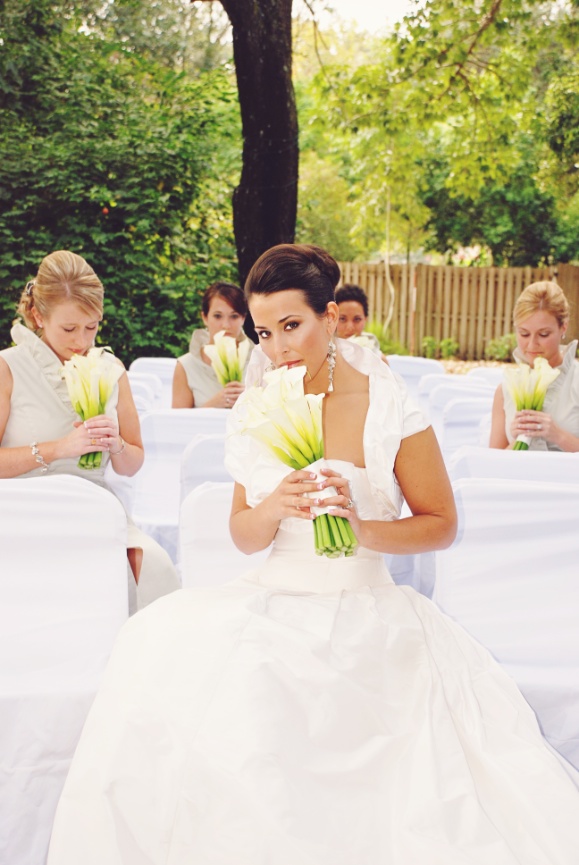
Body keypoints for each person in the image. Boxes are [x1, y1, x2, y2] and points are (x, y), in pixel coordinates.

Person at [48, 245, 579, 864]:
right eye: (264, 333)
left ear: (329, 316)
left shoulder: (389, 406)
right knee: (159, 659)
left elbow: (440, 524)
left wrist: (362, 528)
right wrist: (274, 506)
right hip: (273, 599)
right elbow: (244, 535)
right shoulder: (259, 406)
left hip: (366, 603)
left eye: (291, 325)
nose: (277, 348)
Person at [0, 250, 180, 612]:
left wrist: (116, 445)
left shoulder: (111, 368)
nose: (81, 341)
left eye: (92, 327)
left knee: (156, 568)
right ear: (38, 315)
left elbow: (133, 463)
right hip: (22, 514)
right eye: (69, 329)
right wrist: (59, 448)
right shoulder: (7, 367)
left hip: (94, 511)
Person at [490, 280, 579, 452]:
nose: (532, 345)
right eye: (524, 334)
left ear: (563, 327)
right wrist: (519, 439)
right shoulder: (505, 391)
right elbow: (491, 462)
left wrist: (558, 436)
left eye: (543, 334)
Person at [172, 281, 253, 409]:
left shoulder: (260, 359)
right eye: (217, 316)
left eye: (234, 316)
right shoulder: (186, 366)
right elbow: (176, 420)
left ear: (243, 318)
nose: (226, 325)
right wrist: (212, 405)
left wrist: (251, 400)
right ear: (205, 317)